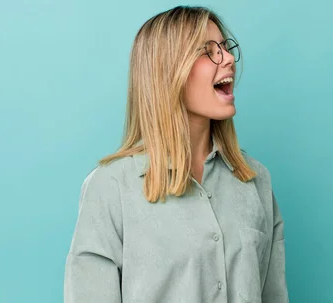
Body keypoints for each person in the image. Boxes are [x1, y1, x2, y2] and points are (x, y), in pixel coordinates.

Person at [64, 5, 288, 303]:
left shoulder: (256, 180)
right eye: (208, 51)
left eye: (225, 47)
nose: (229, 58)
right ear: (168, 71)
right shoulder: (112, 188)